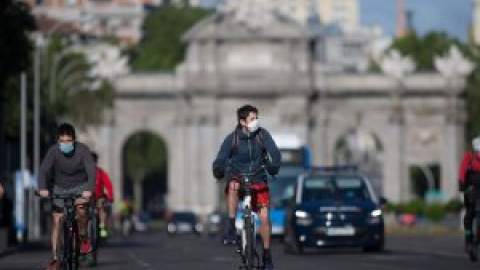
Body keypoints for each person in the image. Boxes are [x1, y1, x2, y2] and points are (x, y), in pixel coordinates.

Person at [212, 104, 281, 270]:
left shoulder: (262, 135)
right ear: (243, 121)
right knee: (233, 186)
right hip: (237, 177)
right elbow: (221, 158)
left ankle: (266, 254)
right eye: (252, 119)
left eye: (257, 118)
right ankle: (230, 227)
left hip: (258, 178)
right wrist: (218, 170)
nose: (256, 121)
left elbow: (275, 153)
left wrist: (274, 166)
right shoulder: (232, 139)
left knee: (264, 217)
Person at [38, 123, 96, 270]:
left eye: (68, 141)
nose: (65, 144)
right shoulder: (53, 152)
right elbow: (43, 171)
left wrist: (88, 189)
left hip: (80, 187)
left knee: (81, 209)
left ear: (74, 140)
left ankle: (83, 238)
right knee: (57, 220)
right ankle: (55, 257)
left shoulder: (83, 150)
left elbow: (91, 172)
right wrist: (43, 188)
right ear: (57, 141)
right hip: (59, 187)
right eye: (62, 141)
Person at [459, 136, 480, 253]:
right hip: (471, 188)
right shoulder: (469, 156)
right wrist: (461, 184)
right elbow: (462, 171)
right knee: (469, 214)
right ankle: (468, 237)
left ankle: (477, 241)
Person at [91, 152, 114, 238]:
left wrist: (111, 196)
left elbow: (108, 185)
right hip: (86, 198)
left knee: (102, 207)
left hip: (99, 197)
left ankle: (102, 226)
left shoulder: (100, 172)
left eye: (93, 161)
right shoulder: (83, 173)